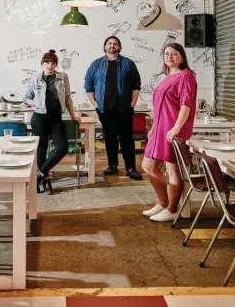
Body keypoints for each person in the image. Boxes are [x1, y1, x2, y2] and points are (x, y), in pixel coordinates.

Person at [142, 43, 197, 222]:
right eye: (166, 54)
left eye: (174, 54)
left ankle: (172, 209)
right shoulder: (167, 77)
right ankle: (163, 202)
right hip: (159, 129)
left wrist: (176, 128)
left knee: (172, 169)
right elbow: (160, 106)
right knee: (148, 167)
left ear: (182, 57)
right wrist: (153, 128)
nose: (170, 56)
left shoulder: (186, 76)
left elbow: (185, 106)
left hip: (173, 130)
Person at [84, 36, 142, 180]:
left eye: (115, 43)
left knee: (127, 138)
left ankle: (131, 168)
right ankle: (112, 165)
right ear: (105, 47)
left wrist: (133, 102)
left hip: (124, 108)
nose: (112, 45)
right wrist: (95, 104)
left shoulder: (128, 64)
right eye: (109, 43)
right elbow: (88, 85)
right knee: (110, 138)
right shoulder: (96, 64)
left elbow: (136, 83)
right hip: (105, 109)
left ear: (119, 47)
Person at [24, 49, 80, 195]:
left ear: (56, 64)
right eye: (47, 62)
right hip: (39, 118)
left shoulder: (63, 77)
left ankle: (38, 175)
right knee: (41, 148)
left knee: (62, 148)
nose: (49, 65)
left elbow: (67, 98)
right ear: (42, 64)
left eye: (53, 63)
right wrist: (35, 104)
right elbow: (26, 98)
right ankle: (46, 181)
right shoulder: (35, 80)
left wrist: (73, 115)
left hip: (56, 117)